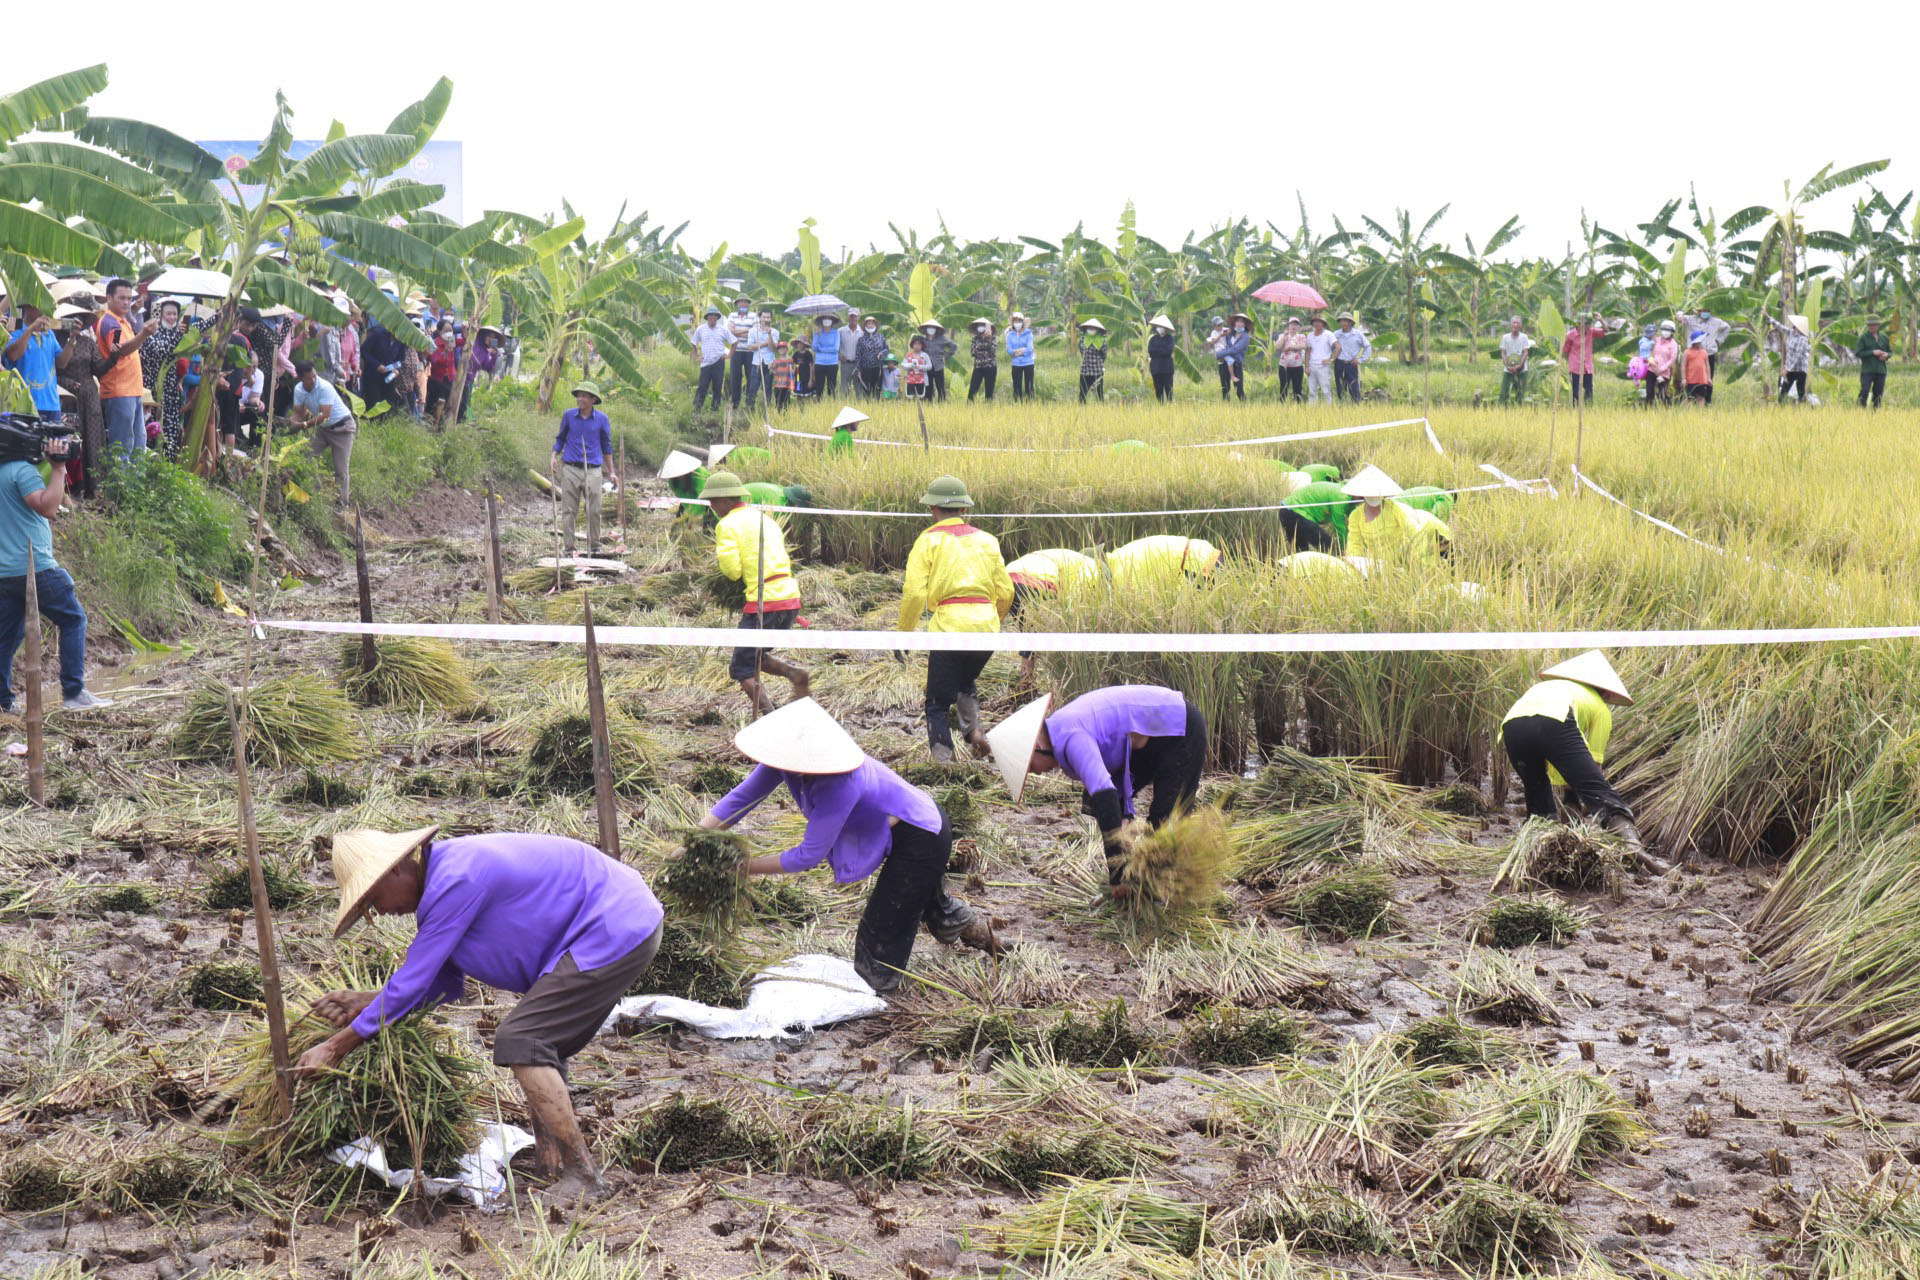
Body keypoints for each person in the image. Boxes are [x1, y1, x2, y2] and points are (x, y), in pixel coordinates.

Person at [298, 826, 664, 1203]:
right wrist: (371, 1001)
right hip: (616, 921)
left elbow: (414, 981)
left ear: (396, 870)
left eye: (374, 900)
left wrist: (336, 1048)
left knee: (522, 1039)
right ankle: (550, 1164)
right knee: (540, 1038)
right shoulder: (444, 884)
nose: (382, 912)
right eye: (369, 911)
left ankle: (583, 1176)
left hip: (613, 922)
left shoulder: (455, 878)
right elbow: (442, 984)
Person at [698, 699, 997, 993]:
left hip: (923, 835)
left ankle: (881, 1001)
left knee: (879, 935)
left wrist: (744, 869)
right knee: (931, 908)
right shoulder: (788, 760)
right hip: (902, 823)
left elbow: (807, 855)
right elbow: (743, 798)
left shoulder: (839, 784)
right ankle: (989, 941)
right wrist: (694, 839)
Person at [984, 685, 1206, 896]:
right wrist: (1123, 826)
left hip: (1178, 727)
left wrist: (1117, 877)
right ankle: (1140, 883)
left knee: (1166, 823)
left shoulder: (1070, 736)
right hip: (1145, 742)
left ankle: (1174, 894)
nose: (1037, 774)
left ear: (1037, 748)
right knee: (1099, 804)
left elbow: (1105, 794)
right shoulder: (1061, 728)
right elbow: (1107, 793)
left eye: (1032, 768)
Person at [1500, 650, 1668, 874]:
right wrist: (1590, 799)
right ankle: (1633, 848)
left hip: (1512, 726)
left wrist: (1571, 798)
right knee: (1599, 791)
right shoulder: (1599, 705)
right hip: (1554, 720)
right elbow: (1592, 766)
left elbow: (1561, 761)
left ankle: (1539, 858)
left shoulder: (1550, 688)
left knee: (1538, 801)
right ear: (1606, 692)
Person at [898, 476, 1013, 762]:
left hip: (949, 628)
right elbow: (1006, 591)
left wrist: (904, 634)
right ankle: (974, 732)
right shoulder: (988, 541)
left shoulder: (928, 541)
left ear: (933, 509)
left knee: (937, 703)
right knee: (965, 683)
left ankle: (944, 762)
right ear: (963, 509)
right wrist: (993, 621)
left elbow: (913, 593)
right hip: (985, 627)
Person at [0, 420, 108, 711]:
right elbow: (48, 506)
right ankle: (74, 693)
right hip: (35, 568)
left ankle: (2, 702)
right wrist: (59, 467)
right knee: (73, 619)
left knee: (7, 636)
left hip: (5, 572)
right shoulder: (21, 471)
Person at [703, 470, 811, 716]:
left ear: (725, 500)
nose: (711, 506)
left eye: (713, 501)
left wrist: (733, 573)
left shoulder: (727, 524)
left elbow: (731, 571)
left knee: (741, 668)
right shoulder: (765, 519)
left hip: (766, 602)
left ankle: (770, 717)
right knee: (757, 656)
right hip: (790, 598)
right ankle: (796, 675)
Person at [1004, 547, 1098, 681]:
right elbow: (1075, 608)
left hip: (1008, 579)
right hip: (1038, 583)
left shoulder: (1070, 557)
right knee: (1045, 639)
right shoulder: (1091, 568)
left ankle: (1024, 686)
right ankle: (1052, 686)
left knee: (1030, 637)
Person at [549, 381, 615, 557]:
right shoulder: (569, 416)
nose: (581, 399)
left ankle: (595, 545)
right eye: (579, 395)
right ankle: (569, 548)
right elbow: (560, 438)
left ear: (593, 400)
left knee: (594, 509)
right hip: (570, 468)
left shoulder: (602, 419)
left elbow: (606, 446)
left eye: (585, 396)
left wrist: (612, 471)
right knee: (569, 510)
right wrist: (554, 455)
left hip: (593, 470)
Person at [96, 279, 157, 463]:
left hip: (132, 390)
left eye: (128, 298)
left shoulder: (123, 321)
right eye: (121, 298)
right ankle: (119, 489)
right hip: (118, 391)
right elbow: (121, 350)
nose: (125, 302)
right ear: (109, 298)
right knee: (123, 445)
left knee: (138, 442)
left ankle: (133, 488)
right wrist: (144, 334)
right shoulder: (109, 322)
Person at [1340, 466, 1451, 567]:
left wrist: (1418, 564)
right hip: (1381, 561)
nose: (1373, 496)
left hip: (1424, 536)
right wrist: (1355, 563)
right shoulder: (1356, 516)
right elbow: (1355, 544)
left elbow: (1415, 533)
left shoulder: (1395, 509)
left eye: (1376, 492)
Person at [52, 300, 108, 497]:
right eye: (73, 319)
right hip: (67, 397)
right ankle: (71, 488)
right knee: (71, 439)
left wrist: (114, 357)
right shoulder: (56, 340)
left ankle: (94, 488)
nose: (78, 323)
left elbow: (98, 369)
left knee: (92, 439)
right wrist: (66, 383)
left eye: (81, 320)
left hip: (89, 395)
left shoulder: (88, 343)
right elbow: (54, 368)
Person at [289, 361, 359, 504]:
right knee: (306, 455)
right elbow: (299, 412)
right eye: (309, 378)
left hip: (342, 428)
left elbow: (324, 415)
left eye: (315, 376)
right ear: (301, 378)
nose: (313, 380)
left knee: (340, 469)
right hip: (323, 429)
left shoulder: (325, 387)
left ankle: (342, 504)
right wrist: (291, 423)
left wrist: (303, 425)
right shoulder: (298, 390)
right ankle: (316, 492)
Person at [4, 305, 64, 429]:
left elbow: (62, 363)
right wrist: (30, 329)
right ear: (27, 306)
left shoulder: (49, 333)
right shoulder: (13, 326)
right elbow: (13, 355)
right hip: (24, 405)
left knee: (53, 447)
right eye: (39, 305)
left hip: (52, 404)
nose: (44, 310)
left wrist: (72, 339)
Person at [1105, 534, 1222, 589]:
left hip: (1196, 565)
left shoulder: (1121, 577)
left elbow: (1141, 606)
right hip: (1204, 553)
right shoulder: (1120, 554)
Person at [1279, 479, 1354, 552]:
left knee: (1302, 551)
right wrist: (1344, 548)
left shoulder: (1346, 493)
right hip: (1294, 512)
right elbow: (1339, 525)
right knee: (1327, 546)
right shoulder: (1342, 496)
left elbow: (1352, 518)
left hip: (1288, 510)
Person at [359, 317, 409, 418]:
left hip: (389, 377)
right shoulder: (378, 334)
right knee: (373, 404)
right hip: (373, 375)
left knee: (387, 404)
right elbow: (364, 351)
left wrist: (397, 370)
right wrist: (377, 365)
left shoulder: (401, 340)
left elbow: (401, 359)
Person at [1560, 315, 1605, 403]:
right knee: (1575, 392)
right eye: (1586, 324)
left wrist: (1601, 319)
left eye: (1589, 324)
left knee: (1589, 390)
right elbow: (1565, 352)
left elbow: (1605, 330)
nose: (1588, 326)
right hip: (1575, 367)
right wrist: (1571, 362)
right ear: (1579, 324)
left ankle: (1588, 411)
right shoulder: (1570, 335)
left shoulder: (1591, 332)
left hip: (1587, 367)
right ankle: (1575, 410)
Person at [692, 306, 730, 411]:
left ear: (717, 318)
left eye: (714, 316)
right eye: (710, 316)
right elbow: (693, 343)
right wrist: (696, 357)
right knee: (703, 386)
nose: (712, 317)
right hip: (706, 363)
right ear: (707, 317)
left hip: (719, 362)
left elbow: (734, 342)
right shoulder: (700, 329)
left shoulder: (723, 329)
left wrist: (729, 355)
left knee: (717, 387)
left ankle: (715, 409)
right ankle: (697, 408)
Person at [1769, 314, 1811, 403]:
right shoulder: (1792, 333)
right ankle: (1781, 411)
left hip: (1800, 370)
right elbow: (1781, 327)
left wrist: (1787, 369)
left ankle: (1804, 412)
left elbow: (1797, 356)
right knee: (1783, 393)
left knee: (1801, 393)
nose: (1794, 326)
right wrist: (1769, 317)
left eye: (1796, 325)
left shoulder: (1803, 339)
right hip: (1790, 370)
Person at [1331, 313, 1371, 401]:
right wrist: (1331, 358)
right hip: (1339, 364)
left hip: (1351, 364)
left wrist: (1360, 360)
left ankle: (1356, 407)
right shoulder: (1336, 334)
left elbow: (1367, 346)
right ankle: (1342, 406)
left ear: (1350, 322)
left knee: (1354, 389)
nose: (1343, 323)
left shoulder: (1358, 334)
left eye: (1345, 321)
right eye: (1341, 321)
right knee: (1340, 388)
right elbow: (1330, 347)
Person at [1680, 307, 1732, 375]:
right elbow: (1679, 316)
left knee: (1708, 377)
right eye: (1704, 311)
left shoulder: (1717, 322)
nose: (1705, 313)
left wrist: (1718, 340)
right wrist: (1680, 316)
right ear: (1699, 311)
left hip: (1709, 353)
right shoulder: (1691, 319)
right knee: (1693, 376)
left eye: (1707, 311)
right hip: (1694, 353)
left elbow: (1727, 328)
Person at [725, 297, 757, 409]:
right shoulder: (732, 315)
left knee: (750, 377)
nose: (743, 304)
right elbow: (729, 331)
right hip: (736, 350)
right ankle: (735, 403)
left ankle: (749, 402)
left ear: (748, 304)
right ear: (737, 304)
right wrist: (747, 330)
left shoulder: (754, 316)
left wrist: (736, 332)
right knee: (735, 377)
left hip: (750, 351)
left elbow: (754, 333)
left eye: (745, 302)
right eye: (740, 302)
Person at [426, 323, 460, 422]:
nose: (449, 333)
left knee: (447, 401)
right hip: (436, 378)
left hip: (449, 377)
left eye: (451, 330)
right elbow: (434, 361)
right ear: (440, 332)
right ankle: (429, 420)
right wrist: (445, 352)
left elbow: (463, 342)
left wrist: (465, 332)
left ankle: (442, 423)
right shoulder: (434, 343)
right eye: (446, 331)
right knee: (433, 401)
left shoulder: (451, 340)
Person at [747, 309, 779, 409]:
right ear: (760, 318)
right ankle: (750, 408)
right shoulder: (753, 331)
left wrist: (769, 334)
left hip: (769, 363)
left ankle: (767, 408)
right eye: (764, 317)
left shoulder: (774, 332)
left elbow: (773, 348)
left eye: (768, 317)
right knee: (753, 387)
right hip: (757, 363)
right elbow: (750, 347)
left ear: (771, 319)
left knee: (768, 388)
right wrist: (765, 343)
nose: (766, 319)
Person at [1498, 316, 1533, 406]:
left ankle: (1518, 411)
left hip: (1522, 370)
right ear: (1510, 325)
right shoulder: (1505, 338)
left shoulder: (1524, 337)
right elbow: (1503, 352)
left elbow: (1525, 352)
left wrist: (1520, 365)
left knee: (1520, 393)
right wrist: (1507, 366)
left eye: (1517, 323)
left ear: (1520, 325)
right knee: (1504, 392)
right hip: (1508, 369)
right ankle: (1502, 411)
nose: (1515, 325)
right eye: (1514, 322)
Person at [1857, 315, 1890, 408]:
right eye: (1869, 325)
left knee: (1878, 393)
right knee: (1865, 390)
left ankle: (1876, 412)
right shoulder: (1863, 338)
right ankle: (1860, 409)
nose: (1871, 327)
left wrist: (1886, 355)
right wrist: (1873, 352)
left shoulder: (1884, 337)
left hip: (1881, 371)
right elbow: (1858, 353)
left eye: (1873, 325)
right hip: (1867, 370)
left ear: (1878, 325)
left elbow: (1890, 352)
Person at [919, 322, 958, 401]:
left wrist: (946, 356)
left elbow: (954, 346)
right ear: (926, 329)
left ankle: (942, 404)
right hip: (927, 366)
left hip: (938, 365)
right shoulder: (923, 340)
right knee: (928, 386)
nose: (931, 329)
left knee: (940, 386)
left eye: (933, 327)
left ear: (936, 329)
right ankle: (928, 403)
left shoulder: (942, 339)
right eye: (929, 327)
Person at [1216, 313, 1250, 401]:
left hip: (1236, 364)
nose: (1239, 323)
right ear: (1235, 323)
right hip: (1224, 363)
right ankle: (1226, 410)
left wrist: (1220, 354)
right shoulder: (1230, 333)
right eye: (1237, 321)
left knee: (1239, 390)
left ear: (1245, 324)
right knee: (1225, 389)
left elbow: (1235, 349)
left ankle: (1245, 408)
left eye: (1242, 322)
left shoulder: (1245, 337)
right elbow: (1220, 337)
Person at [1273, 317, 1308, 402]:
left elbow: (1303, 346)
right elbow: (1277, 346)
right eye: (1292, 324)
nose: (1294, 326)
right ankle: (1282, 406)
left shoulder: (1301, 336)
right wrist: (1284, 336)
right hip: (1284, 366)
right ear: (1288, 325)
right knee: (1284, 387)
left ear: (1298, 327)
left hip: (1297, 367)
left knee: (1297, 388)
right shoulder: (1283, 336)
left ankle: (1297, 407)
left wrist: (1290, 347)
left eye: (1296, 324)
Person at [854, 315, 890, 398]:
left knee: (877, 388)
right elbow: (858, 355)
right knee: (867, 390)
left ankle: (876, 405)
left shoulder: (881, 337)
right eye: (868, 323)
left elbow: (886, 349)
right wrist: (858, 369)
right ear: (865, 326)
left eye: (872, 323)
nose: (870, 325)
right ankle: (868, 405)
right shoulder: (861, 339)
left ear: (876, 325)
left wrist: (881, 353)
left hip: (878, 367)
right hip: (865, 368)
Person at [1304, 315, 1337, 404]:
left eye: (1320, 321)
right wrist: (1306, 366)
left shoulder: (1328, 334)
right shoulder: (1310, 336)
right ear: (1313, 324)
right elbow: (1307, 352)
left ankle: (1328, 411)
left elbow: (1338, 347)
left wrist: (1331, 359)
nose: (1317, 323)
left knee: (1326, 390)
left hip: (1323, 367)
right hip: (1312, 366)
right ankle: (1312, 411)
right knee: (1312, 391)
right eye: (1315, 321)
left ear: (1323, 324)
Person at [1646, 321, 1679, 406]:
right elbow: (1649, 350)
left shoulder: (1673, 344)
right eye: (1664, 329)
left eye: (1668, 330)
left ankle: (1664, 411)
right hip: (1652, 369)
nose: (1665, 331)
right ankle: (1647, 410)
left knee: (1662, 394)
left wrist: (1661, 369)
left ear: (1672, 332)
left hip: (1664, 372)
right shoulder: (1656, 340)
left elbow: (1672, 359)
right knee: (1649, 392)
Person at [1147, 314, 1177, 402]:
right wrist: (1161, 350)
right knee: (1158, 390)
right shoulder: (1153, 339)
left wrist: (1158, 351)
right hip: (1156, 369)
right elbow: (1150, 351)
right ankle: (1160, 407)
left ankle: (1170, 406)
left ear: (1165, 328)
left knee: (1169, 389)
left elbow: (1168, 351)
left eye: (1161, 327)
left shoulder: (1170, 339)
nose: (1159, 328)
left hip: (1167, 369)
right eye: (1158, 326)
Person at [1076, 319, 1109, 402]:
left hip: (1097, 371)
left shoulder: (1102, 340)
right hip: (1085, 370)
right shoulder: (1082, 339)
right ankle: (1081, 409)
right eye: (1089, 327)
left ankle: (1101, 409)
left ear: (1097, 329)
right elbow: (1081, 351)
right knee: (1082, 393)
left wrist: (1098, 362)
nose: (1091, 329)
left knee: (1099, 393)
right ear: (1086, 328)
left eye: (1093, 328)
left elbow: (1104, 354)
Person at [1005, 312, 1036, 400]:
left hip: (1028, 363)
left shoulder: (1028, 333)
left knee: (1029, 386)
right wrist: (1022, 349)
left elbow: (1030, 349)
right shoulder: (1009, 335)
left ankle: (1030, 406)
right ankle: (1018, 405)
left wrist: (1017, 352)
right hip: (1016, 364)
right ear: (1012, 322)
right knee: (1017, 387)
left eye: (1019, 321)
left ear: (1022, 322)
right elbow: (1009, 350)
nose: (1017, 323)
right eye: (1015, 321)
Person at [811, 315, 842, 396]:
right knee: (819, 387)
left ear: (832, 321)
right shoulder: (816, 332)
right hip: (819, 362)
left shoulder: (836, 332)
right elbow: (814, 347)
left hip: (832, 363)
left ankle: (831, 405)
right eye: (825, 319)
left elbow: (835, 349)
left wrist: (821, 349)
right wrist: (818, 336)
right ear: (821, 321)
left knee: (831, 388)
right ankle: (819, 405)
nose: (827, 320)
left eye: (829, 319)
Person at [967, 319, 998, 401]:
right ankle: (968, 408)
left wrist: (988, 339)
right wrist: (984, 348)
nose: (980, 327)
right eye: (979, 325)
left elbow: (992, 351)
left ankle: (988, 410)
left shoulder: (993, 338)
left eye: (982, 325)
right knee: (972, 390)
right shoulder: (975, 339)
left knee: (989, 392)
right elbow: (973, 352)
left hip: (990, 367)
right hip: (978, 367)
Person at [1683, 332, 1713, 405]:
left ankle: (1700, 415)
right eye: (1698, 342)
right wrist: (1683, 378)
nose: (1700, 343)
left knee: (1701, 398)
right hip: (1691, 380)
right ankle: (1687, 414)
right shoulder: (1687, 352)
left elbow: (1707, 366)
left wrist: (1708, 378)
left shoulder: (1704, 352)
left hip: (1702, 380)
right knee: (1689, 398)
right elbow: (1683, 366)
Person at [902, 336, 932, 400]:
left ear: (922, 345)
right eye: (915, 344)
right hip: (910, 380)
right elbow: (903, 365)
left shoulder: (925, 355)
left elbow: (930, 366)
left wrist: (921, 367)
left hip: (921, 380)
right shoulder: (908, 355)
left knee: (921, 397)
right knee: (909, 398)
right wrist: (910, 365)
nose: (917, 346)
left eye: (919, 344)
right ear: (912, 344)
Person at [770, 341, 796, 412]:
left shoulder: (790, 360)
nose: (782, 350)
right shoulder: (776, 361)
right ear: (778, 351)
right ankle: (779, 415)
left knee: (786, 402)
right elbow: (774, 371)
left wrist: (792, 385)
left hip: (786, 385)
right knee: (778, 402)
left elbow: (793, 371)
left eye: (783, 348)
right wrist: (771, 368)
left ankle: (785, 415)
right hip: (778, 385)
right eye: (780, 348)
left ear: (787, 349)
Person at [789, 337, 814, 403]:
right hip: (798, 378)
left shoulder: (808, 354)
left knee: (809, 395)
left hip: (807, 378)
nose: (799, 345)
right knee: (798, 395)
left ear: (805, 345)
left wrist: (811, 380)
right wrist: (792, 378)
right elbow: (793, 366)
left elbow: (811, 367)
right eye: (798, 343)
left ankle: (812, 409)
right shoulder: (795, 354)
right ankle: (799, 410)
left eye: (801, 343)